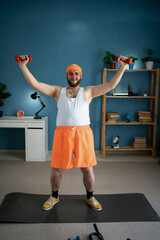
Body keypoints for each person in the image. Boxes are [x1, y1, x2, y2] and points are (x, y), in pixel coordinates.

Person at [18, 55, 127, 211]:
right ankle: (54, 196)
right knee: (56, 168)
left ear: (80, 76)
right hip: (63, 134)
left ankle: (90, 197)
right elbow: (35, 84)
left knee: (88, 169)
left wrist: (122, 66)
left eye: (76, 73)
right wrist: (23, 66)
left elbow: (110, 85)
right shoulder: (58, 91)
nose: (74, 76)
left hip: (83, 134)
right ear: (66, 75)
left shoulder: (88, 91)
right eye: (71, 73)